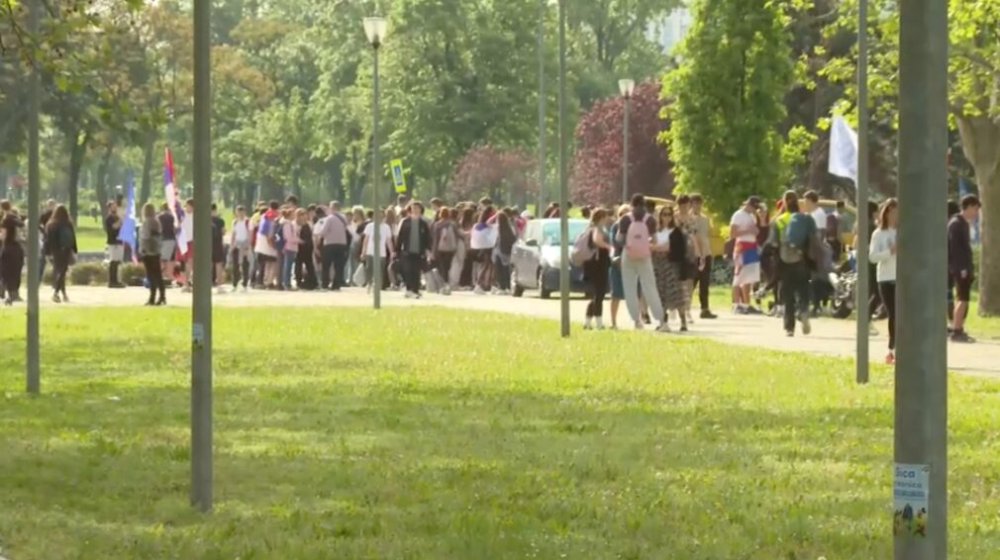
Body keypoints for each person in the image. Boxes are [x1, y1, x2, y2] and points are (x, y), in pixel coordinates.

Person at [614, 194, 669, 332]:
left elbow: (619, 239)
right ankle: (661, 320)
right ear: (644, 204)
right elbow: (655, 240)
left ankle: (636, 321)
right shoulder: (650, 219)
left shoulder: (625, 219)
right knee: (650, 288)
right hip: (645, 255)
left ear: (631, 204)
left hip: (628, 255)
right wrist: (644, 243)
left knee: (630, 289)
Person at [768, 191, 814, 337]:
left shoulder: (779, 220)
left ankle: (789, 327)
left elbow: (773, 243)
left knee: (787, 294)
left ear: (784, 202)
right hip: (802, 259)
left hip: (784, 259)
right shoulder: (805, 218)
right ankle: (804, 312)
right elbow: (813, 237)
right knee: (803, 290)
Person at [949, 194, 981, 343]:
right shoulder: (956, 224)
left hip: (965, 266)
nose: (976, 213)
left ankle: (959, 327)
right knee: (962, 298)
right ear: (967, 207)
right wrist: (961, 268)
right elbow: (955, 249)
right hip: (960, 268)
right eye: (975, 209)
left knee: (964, 299)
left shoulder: (963, 223)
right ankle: (956, 330)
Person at [870, 198, 898, 364]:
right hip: (886, 278)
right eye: (892, 212)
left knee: (903, 315)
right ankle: (891, 350)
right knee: (893, 314)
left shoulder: (904, 231)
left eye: (897, 212)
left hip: (903, 277)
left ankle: (901, 347)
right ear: (886, 214)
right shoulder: (879, 234)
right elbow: (873, 257)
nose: (895, 216)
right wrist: (890, 251)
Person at [652, 205, 688, 331]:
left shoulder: (676, 232)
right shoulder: (656, 230)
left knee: (675, 293)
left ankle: (683, 321)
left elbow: (669, 247)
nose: (666, 217)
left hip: (671, 264)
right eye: (664, 214)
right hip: (657, 264)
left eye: (669, 214)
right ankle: (662, 321)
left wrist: (654, 247)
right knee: (660, 292)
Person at [729, 196, 763, 314]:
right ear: (749, 205)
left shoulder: (752, 216)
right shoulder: (738, 215)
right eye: (754, 207)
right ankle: (736, 304)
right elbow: (732, 234)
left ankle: (746, 304)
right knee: (739, 276)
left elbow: (754, 230)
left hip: (752, 246)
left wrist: (755, 232)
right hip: (742, 247)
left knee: (749, 277)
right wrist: (747, 231)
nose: (754, 210)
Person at [583, 208, 613, 330]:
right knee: (599, 294)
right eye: (606, 216)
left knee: (596, 294)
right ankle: (599, 322)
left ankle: (587, 321)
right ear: (601, 218)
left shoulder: (590, 228)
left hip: (593, 264)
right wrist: (608, 246)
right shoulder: (597, 228)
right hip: (598, 264)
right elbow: (597, 240)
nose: (608, 219)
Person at [395, 202, 432, 298]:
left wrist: (428, 250)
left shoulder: (423, 224)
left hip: (419, 252)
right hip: (407, 251)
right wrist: (396, 250)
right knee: (407, 270)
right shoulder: (405, 222)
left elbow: (427, 238)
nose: (415, 210)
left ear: (421, 210)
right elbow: (400, 237)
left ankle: (415, 289)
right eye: (413, 208)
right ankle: (409, 289)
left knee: (416, 271)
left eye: (417, 208)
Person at [689, 194, 717, 319]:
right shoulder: (689, 219)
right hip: (694, 254)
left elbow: (705, 236)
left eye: (699, 203)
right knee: (692, 281)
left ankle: (704, 308)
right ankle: (685, 308)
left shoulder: (705, 219)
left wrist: (708, 253)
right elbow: (694, 237)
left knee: (704, 282)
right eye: (695, 203)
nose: (697, 206)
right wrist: (698, 254)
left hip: (706, 252)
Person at [43, 204, 77, 304]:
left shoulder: (51, 224)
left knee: (59, 270)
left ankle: (61, 293)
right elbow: (73, 238)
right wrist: (74, 250)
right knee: (62, 271)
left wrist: (47, 252)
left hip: (55, 250)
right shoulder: (68, 223)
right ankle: (58, 292)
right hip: (66, 249)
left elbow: (47, 239)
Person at [316, 202, 351, 290]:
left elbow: (323, 232)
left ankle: (325, 283)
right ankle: (336, 284)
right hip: (342, 244)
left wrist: (317, 233)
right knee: (339, 266)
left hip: (329, 244)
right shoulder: (344, 218)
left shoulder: (329, 219)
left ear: (332, 208)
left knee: (326, 265)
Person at [607, 204, 631, 329]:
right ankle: (613, 322)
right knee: (616, 294)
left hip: (633, 262)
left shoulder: (636, 227)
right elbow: (615, 243)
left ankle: (636, 321)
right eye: (622, 215)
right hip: (618, 262)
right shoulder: (616, 227)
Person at [139, 202, 166, 306]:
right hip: (156, 250)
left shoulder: (146, 222)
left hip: (148, 251)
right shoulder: (157, 222)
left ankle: (152, 297)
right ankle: (162, 296)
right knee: (158, 275)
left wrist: (142, 249)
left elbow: (145, 237)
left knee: (151, 275)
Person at [361, 209, 394, 291]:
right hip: (370, 251)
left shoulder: (386, 227)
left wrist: (391, 252)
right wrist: (363, 252)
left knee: (380, 270)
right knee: (369, 269)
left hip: (381, 252)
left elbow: (388, 241)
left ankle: (378, 285)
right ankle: (369, 283)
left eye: (381, 216)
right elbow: (366, 239)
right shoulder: (369, 226)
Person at [432, 207, 461, 295]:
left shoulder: (437, 225)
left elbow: (435, 239)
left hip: (440, 249)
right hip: (450, 249)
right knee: (447, 266)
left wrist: (434, 251)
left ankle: (443, 284)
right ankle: (447, 283)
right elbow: (457, 236)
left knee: (442, 267)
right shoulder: (453, 224)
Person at [493, 211, 517, 295]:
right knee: (502, 270)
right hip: (500, 252)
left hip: (503, 252)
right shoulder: (504, 228)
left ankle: (505, 287)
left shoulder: (505, 229)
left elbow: (511, 240)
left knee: (503, 270)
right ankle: (504, 287)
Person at [229, 205, 252, 292]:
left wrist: (248, 245)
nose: (240, 214)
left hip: (245, 243)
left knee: (245, 264)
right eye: (239, 213)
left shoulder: (248, 221)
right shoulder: (235, 222)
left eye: (242, 213)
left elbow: (250, 233)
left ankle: (245, 283)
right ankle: (235, 283)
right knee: (235, 264)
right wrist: (232, 245)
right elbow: (233, 234)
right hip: (236, 244)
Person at [104, 201, 126, 288]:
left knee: (118, 261)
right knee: (113, 261)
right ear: (109, 208)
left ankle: (117, 280)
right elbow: (114, 227)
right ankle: (112, 281)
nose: (115, 208)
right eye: (113, 206)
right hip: (113, 242)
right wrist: (121, 220)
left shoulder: (117, 217)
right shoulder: (109, 218)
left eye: (115, 206)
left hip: (120, 241)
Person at [296, 208, 317, 290]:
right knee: (299, 264)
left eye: (304, 215)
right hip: (300, 246)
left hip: (308, 247)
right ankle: (299, 280)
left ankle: (312, 281)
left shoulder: (308, 225)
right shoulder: (296, 224)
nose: (304, 217)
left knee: (309, 264)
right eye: (302, 215)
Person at [280, 208, 300, 291]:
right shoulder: (287, 224)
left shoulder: (290, 224)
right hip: (289, 247)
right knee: (287, 266)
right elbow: (288, 237)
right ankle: (287, 284)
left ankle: (287, 283)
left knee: (289, 265)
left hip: (292, 247)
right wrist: (298, 240)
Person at [158, 204, 178, 287]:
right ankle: (169, 277)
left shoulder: (160, 217)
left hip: (163, 239)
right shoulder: (172, 217)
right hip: (171, 239)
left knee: (163, 259)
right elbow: (175, 228)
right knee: (170, 259)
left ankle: (163, 277)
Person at [211, 204, 227, 294]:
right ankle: (219, 285)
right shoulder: (220, 221)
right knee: (218, 264)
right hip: (217, 244)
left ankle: (207, 282)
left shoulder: (204, 219)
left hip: (207, 244)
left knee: (208, 264)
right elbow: (223, 232)